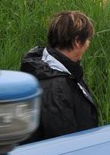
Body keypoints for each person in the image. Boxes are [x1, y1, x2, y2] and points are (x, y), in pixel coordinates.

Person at [21, 11, 99, 142]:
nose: (88, 44)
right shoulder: (56, 87)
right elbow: (64, 142)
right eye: (87, 39)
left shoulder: (61, 69)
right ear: (77, 42)